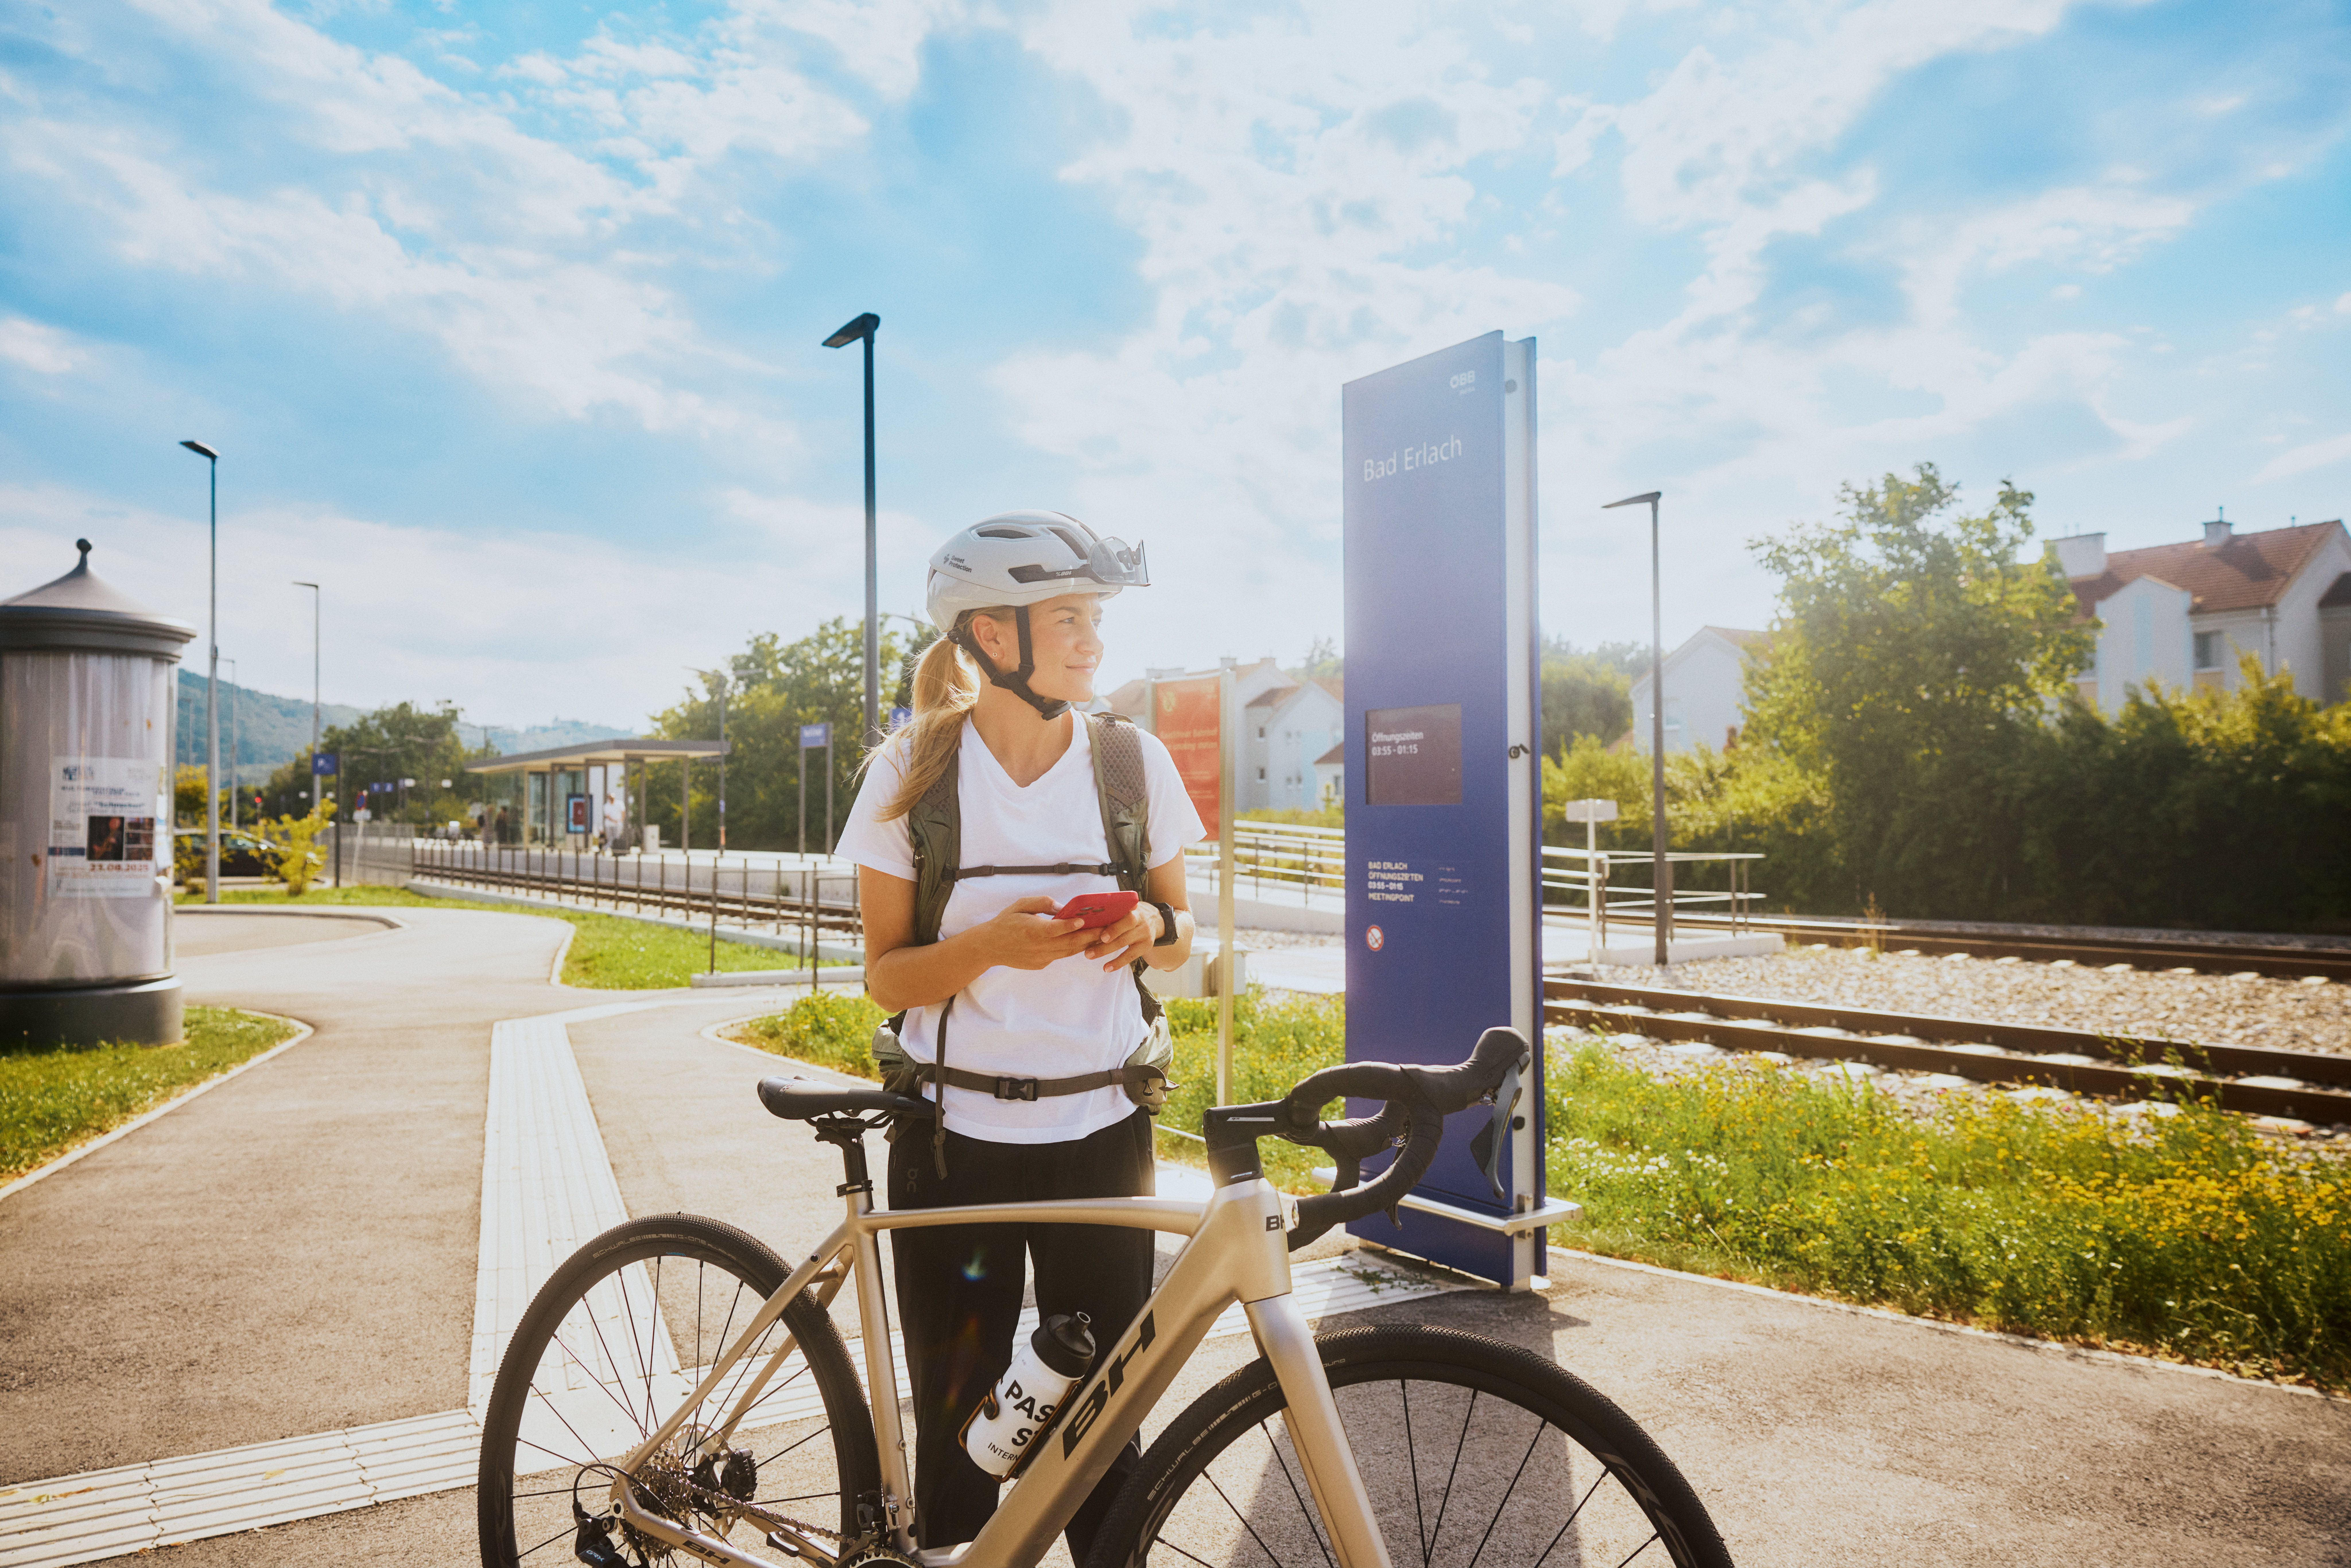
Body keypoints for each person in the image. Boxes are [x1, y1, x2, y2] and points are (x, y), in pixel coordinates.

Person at [835, 512, 1198, 1558]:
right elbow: (887, 976)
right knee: (960, 1435)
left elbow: (1182, 935)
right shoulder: (913, 773)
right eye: (1070, 618)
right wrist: (992, 945)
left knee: (1100, 1436)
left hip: (1102, 1134)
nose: (1093, 640)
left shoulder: (1132, 765)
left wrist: (1148, 927)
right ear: (993, 636)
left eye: (1097, 618)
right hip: (957, 1145)